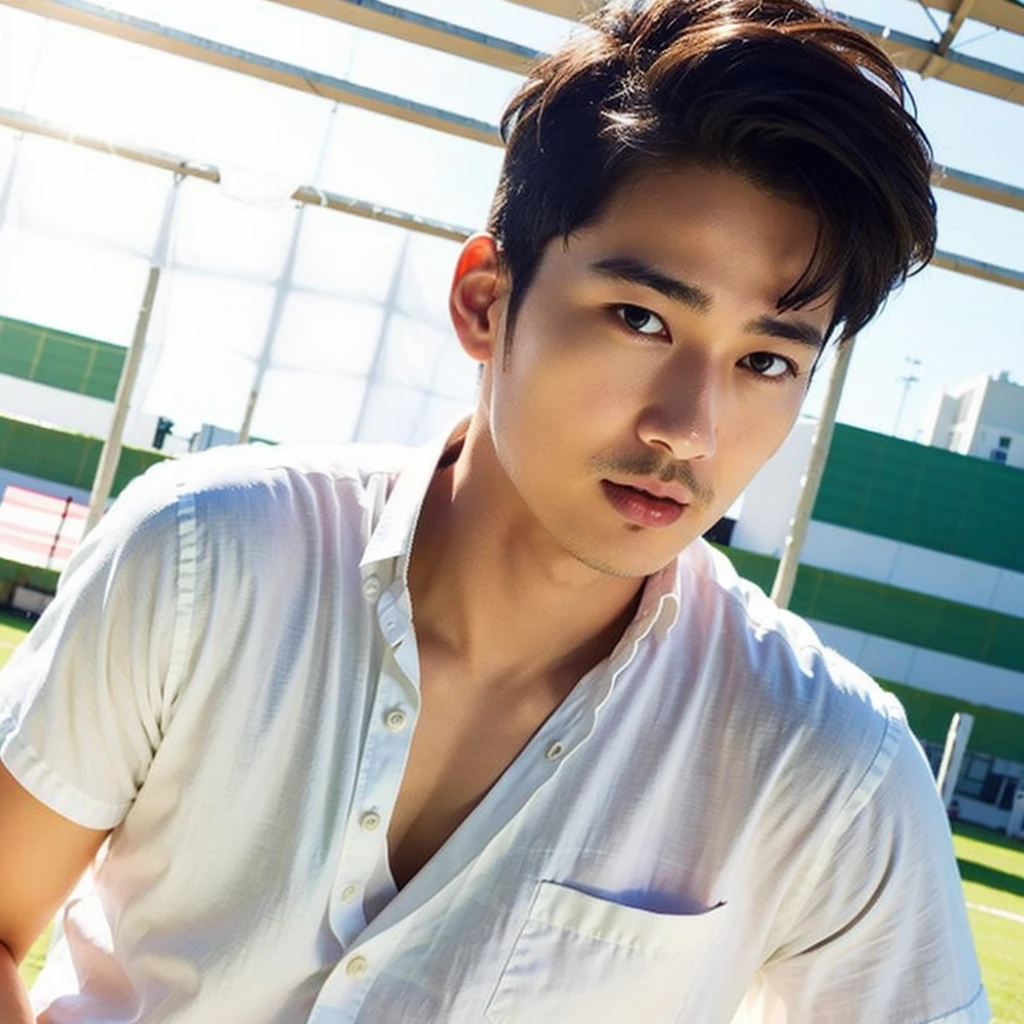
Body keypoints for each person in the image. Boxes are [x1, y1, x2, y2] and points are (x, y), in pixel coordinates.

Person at [0, 1, 989, 1021]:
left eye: (765, 361)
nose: (689, 427)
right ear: (483, 301)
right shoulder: (207, 557)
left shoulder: (826, 760)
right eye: (640, 318)